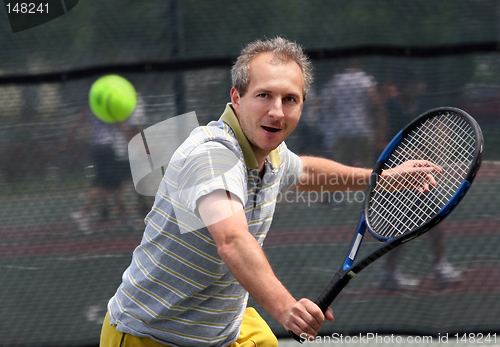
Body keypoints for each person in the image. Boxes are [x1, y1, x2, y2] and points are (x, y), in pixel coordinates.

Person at [100, 37, 441, 346]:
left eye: (290, 99)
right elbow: (232, 240)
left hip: (225, 329)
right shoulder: (212, 156)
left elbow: (304, 170)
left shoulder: (271, 153)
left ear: (304, 105)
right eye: (264, 95)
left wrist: (382, 178)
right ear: (237, 98)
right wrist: (286, 308)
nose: (277, 111)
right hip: (151, 336)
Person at [378, 74, 461, 290]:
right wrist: (405, 152)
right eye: (416, 83)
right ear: (404, 86)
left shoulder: (421, 108)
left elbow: (429, 138)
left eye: (422, 83)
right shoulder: (389, 108)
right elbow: (380, 141)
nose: (421, 87)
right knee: (399, 226)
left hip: (419, 176)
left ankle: (440, 266)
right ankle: (389, 273)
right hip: (395, 177)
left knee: (436, 217)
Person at [69, 92, 146, 233]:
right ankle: (83, 213)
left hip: (96, 148)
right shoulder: (108, 108)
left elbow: (78, 122)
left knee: (115, 185)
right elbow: (122, 125)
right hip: (108, 149)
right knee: (103, 185)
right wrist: (136, 142)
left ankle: (125, 218)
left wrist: (70, 136)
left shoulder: (91, 106)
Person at [319, 59, 381, 168]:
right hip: (363, 129)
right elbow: (375, 102)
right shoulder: (364, 79)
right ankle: (369, 185)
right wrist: (372, 119)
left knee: (340, 169)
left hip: (342, 131)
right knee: (368, 168)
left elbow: (330, 106)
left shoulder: (336, 81)